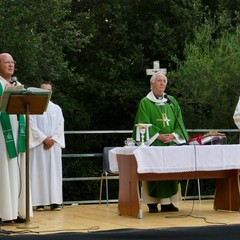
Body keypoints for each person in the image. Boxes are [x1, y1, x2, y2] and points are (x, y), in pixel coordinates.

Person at [132, 71, 189, 213]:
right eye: (159, 80)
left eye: (164, 81)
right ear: (152, 84)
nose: (162, 83)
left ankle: (168, 203)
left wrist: (173, 135)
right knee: (154, 174)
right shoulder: (145, 103)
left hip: (170, 145)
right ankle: (152, 203)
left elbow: (179, 122)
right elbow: (142, 124)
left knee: (170, 173)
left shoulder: (171, 101)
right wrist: (158, 135)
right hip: (154, 145)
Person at [0, 53, 30, 225]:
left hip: (18, 132)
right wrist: (7, 93)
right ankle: (3, 211)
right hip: (2, 135)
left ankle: (16, 210)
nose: (11, 65)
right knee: (3, 170)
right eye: (6, 62)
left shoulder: (17, 84)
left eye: (13, 62)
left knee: (16, 171)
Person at [29, 82, 65, 211]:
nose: (46, 92)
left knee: (53, 173)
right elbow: (31, 125)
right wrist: (44, 139)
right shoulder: (33, 108)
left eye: (48, 90)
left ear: (52, 92)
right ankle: (39, 202)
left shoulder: (56, 108)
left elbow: (60, 125)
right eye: (43, 90)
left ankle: (55, 201)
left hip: (53, 146)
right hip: (39, 145)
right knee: (38, 173)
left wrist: (53, 139)